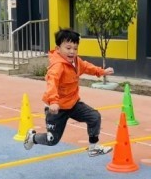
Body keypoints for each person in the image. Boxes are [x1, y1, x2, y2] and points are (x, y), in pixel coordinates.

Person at [23, 28, 114, 157]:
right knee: (52, 140)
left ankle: (93, 147)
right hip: (57, 108)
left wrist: (101, 71)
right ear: (58, 48)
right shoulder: (57, 66)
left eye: (75, 48)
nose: (72, 51)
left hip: (73, 104)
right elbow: (52, 83)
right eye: (68, 48)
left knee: (94, 117)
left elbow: (87, 67)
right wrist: (53, 102)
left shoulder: (76, 62)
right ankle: (33, 138)